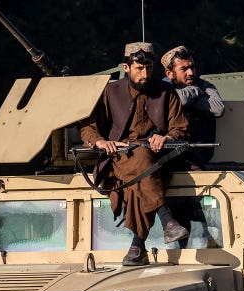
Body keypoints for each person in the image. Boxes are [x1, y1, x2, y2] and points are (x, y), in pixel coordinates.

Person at [79, 42, 190, 266]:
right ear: (126, 67)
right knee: (141, 161)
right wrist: (100, 141)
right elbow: (88, 126)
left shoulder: (166, 91)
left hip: (158, 156)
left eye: (149, 68)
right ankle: (166, 220)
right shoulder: (111, 91)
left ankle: (138, 248)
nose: (145, 74)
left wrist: (166, 138)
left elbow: (180, 127)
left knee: (138, 182)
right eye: (139, 68)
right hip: (118, 155)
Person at [161, 46, 224, 170]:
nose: (191, 73)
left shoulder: (205, 85)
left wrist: (191, 102)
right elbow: (181, 99)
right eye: (184, 69)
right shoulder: (164, 86)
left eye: (192, 67)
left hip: (197, 155)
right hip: (168, 154)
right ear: (170, 74)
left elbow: (218, 109)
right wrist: (194, 91)